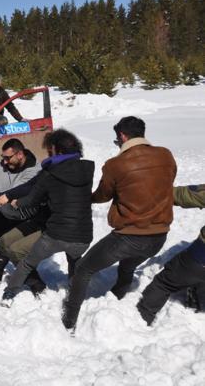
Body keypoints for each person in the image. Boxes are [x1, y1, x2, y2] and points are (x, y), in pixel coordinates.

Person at [62, 116, 177, 330]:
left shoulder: (116, 164)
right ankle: (119, 291)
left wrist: (84, 197)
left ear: (122, 136)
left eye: (117, 140)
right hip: (160, 236)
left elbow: (103, 195)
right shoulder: (166, 155)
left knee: (83, 269)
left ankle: (69, 318)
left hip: (129, 237)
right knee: (128, 263)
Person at [0, 129, 94, 307]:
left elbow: (31, 200)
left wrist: (16, 203)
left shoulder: (50, 173)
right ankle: (74, 293)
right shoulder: (86, 170)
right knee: (74, 259)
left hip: (56, 235)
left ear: (55, 150)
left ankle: (9, 293)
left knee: (26, 263)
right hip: (83, 236)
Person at [0, 139, 41, 281]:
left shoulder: (35, 171)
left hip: (23, 216)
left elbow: (15, 194)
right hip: (0, 213)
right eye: (3, 157)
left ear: (20, 154)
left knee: (6, 245)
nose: (4, 161)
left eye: (8, 158)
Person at [136, 184, 205, 325]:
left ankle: (138, 321)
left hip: (199, 259)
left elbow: (182, 195)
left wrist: (149, 190)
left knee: (164, 283)